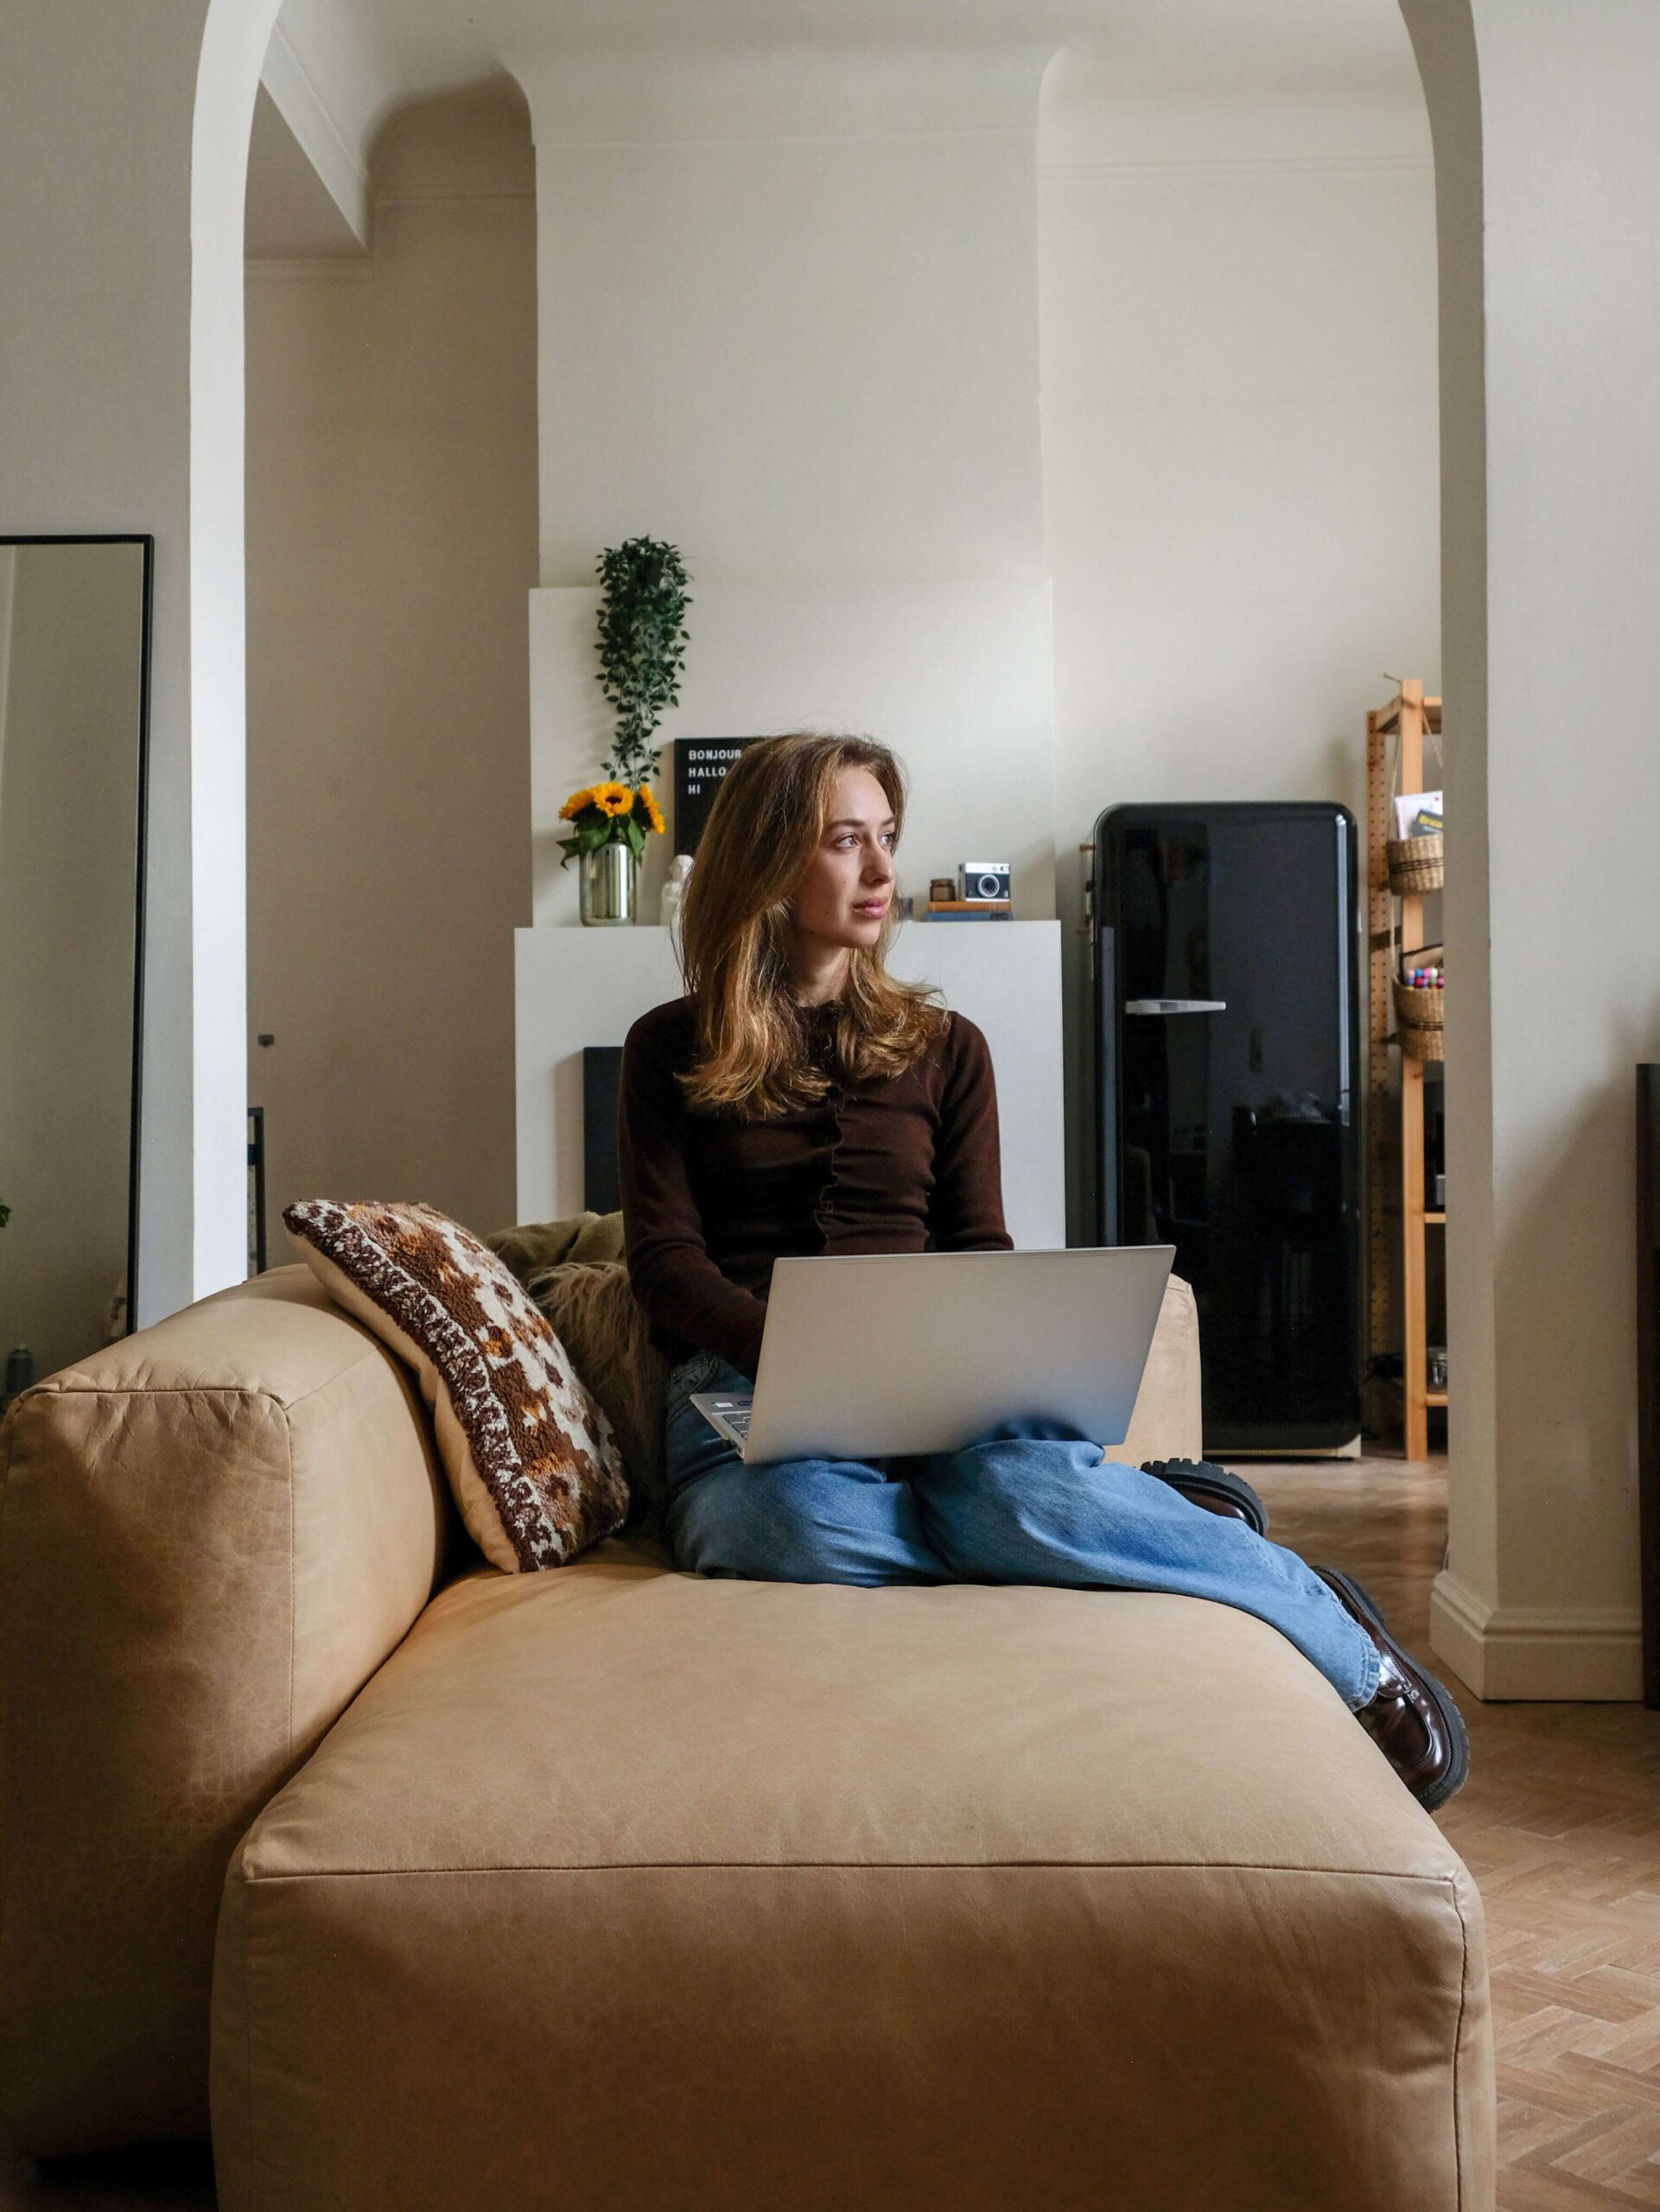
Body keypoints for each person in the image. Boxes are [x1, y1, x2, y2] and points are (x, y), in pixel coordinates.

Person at [619, 733, 1466, 1811]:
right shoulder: (666, 1047)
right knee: (785, 1526)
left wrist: (972, 1364)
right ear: (767, 861)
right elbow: (663, 1260)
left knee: (1008, 1484)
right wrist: (786, 1350)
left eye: (886, 838)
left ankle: (1337, 1640)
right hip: (745, 1391)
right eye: (845, 842)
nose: (881, 872)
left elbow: (977, 1249)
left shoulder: (947, 1045)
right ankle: (1124, 1520)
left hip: (937, 1380)